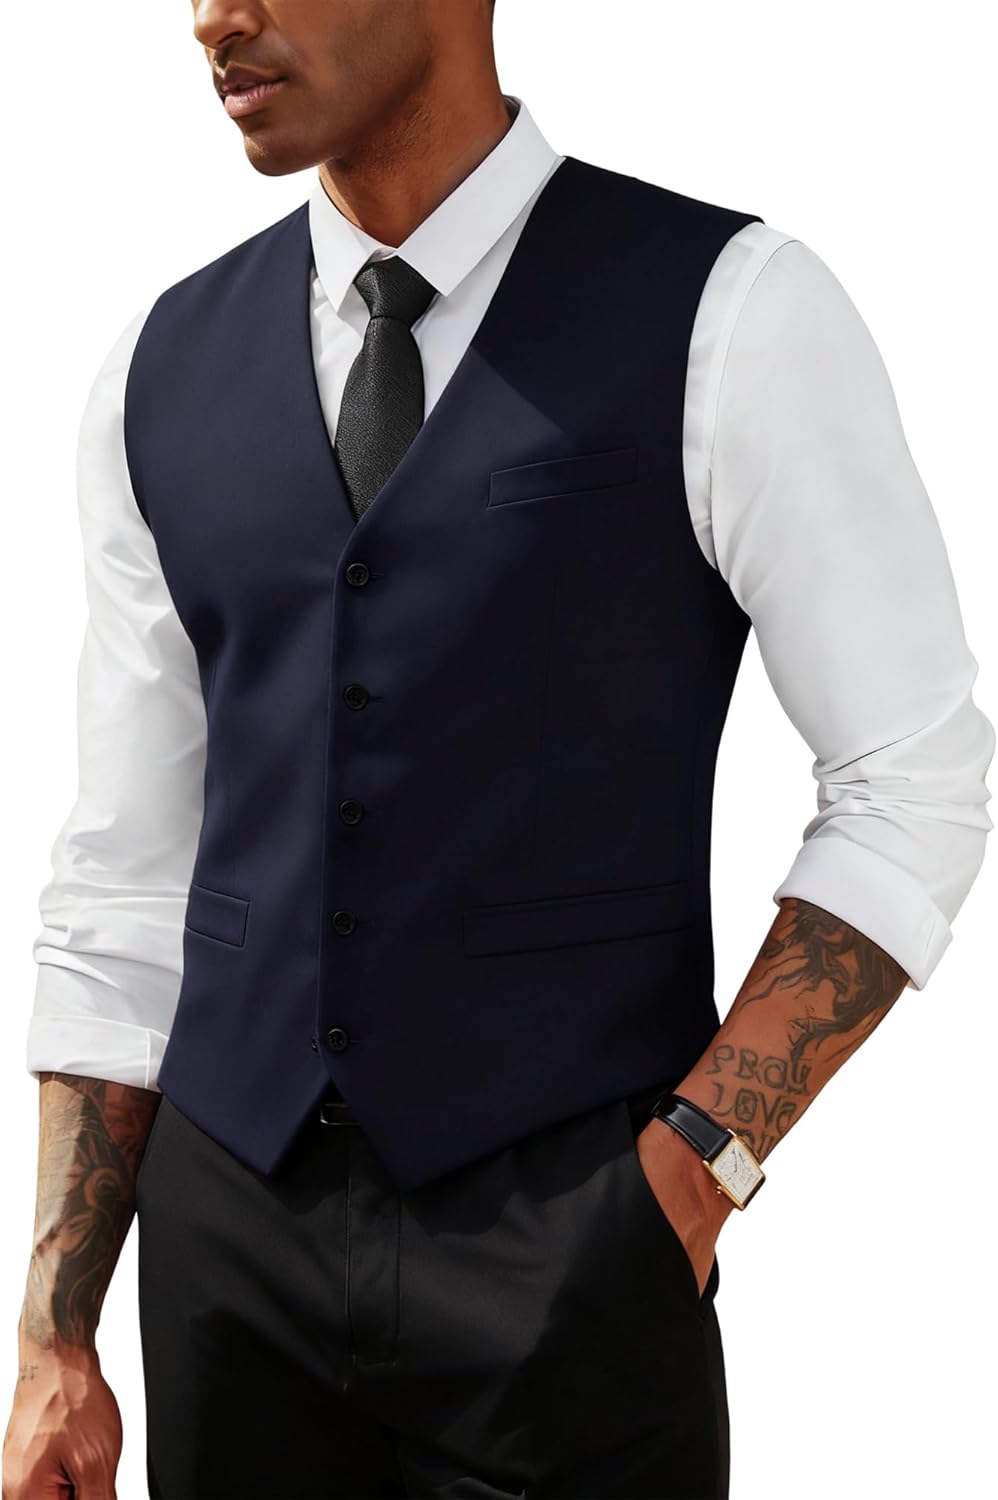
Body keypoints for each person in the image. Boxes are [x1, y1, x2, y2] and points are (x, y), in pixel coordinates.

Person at [3, 1, 993, 1497]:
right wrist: (54, 1334)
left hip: (574, 1253)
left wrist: (691, 1176)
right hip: (226, 1267)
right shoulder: (158, 366)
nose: (214, 15)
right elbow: (128, 874)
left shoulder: (732, 311)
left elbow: (911, 777)